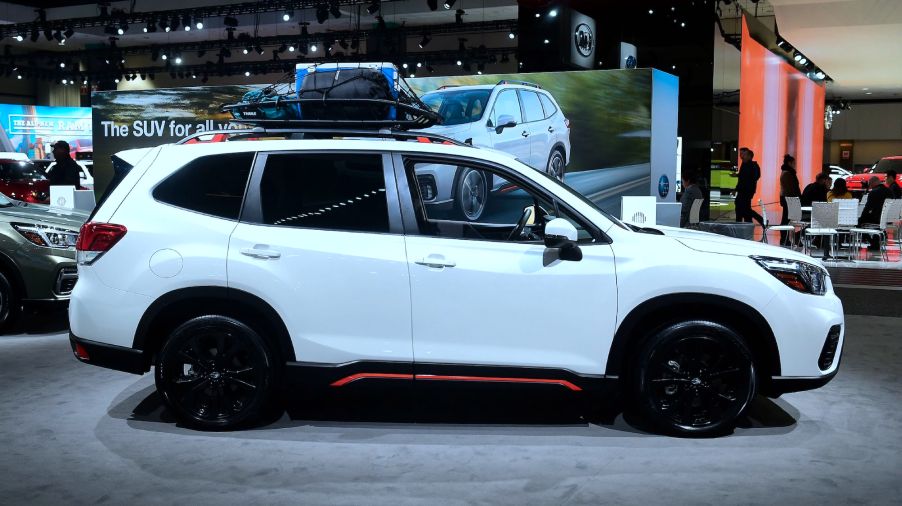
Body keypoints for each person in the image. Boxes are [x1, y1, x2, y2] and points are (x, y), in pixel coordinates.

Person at [734, 147, 764, 225]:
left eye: (743, 154)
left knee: (743, 208)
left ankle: (759, 220)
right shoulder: (748, 165)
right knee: (744, 209)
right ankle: (748, 223)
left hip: (745, 191)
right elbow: (744, 178)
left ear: (749, 156)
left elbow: (744, 179)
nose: (741, 156)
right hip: (747, 191)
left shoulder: (749, 165)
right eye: (741, 154)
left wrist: (737, 188)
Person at [778, 154, 801, 243]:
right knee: (786, 220)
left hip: (787, 198)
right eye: (793, 163)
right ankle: (784, 238)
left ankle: (785, 238)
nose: (794, 165)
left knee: (786, 219)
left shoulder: (786, 172)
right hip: (789, 199)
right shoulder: (788, 173)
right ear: (789, 163)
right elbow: (791, 188)